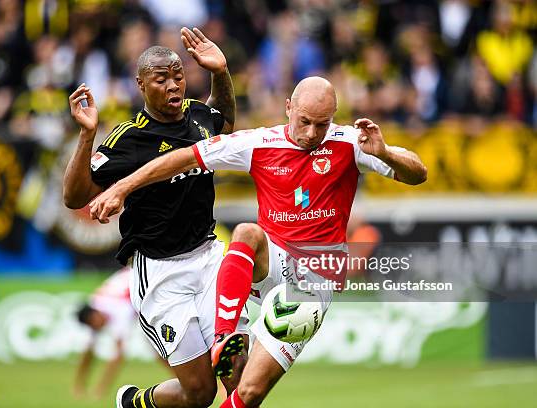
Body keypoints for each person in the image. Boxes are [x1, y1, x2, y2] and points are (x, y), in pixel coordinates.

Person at [88, 76, 428, 408]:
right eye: (305, 121)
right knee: (248, 233)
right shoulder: (260, 143)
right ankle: (224, 338)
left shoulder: (351, 143)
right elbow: (186, 157)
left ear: (334, 116)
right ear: (287, 109)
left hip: (311, 285)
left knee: (247, 392)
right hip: (271, 261)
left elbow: (418, 173)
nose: (312, 133)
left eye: (321, 124)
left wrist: (385, 153)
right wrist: (122, 187)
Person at [63, 27, 249, 408]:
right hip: (162, 272)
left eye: (178, 76)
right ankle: (134, 402)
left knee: (239, 374)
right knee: (199, 392)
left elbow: (225, 122)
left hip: (210, 258)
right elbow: (74, 196)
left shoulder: (198, 116)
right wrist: (87, 135)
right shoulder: (128, 140)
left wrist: (221, 71)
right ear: (141, 85)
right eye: (161, 79)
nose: (172, 85)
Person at [74, 268, 136, 400]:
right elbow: (88, 350)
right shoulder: (95, 303)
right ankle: (79, 385)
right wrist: (79, 385)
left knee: (158, 348)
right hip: (133, 274)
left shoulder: (120, 308)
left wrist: (101, 388)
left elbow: (119, 354)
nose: (96, 327)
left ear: (95, 314)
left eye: (94, 322)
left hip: (145, 277)